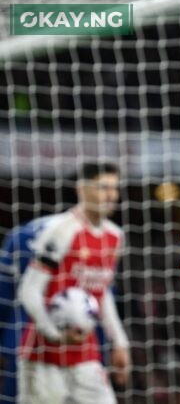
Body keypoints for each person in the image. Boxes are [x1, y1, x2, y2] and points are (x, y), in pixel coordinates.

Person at [16, 162, 130, 404]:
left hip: (85, 353)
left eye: (114, 188)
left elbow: (102, 293)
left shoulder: (115, 236)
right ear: (82, 189)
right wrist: (54, 333)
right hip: (44, 355)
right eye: (103, 188)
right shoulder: (60, 231)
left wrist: (120, 342)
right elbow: (29, 290)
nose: (111, 195)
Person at [0, 216, 52, 402]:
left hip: (18, 339)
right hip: (78, 347)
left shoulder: (21, 235)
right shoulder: (97, 237)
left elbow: (3, 296)